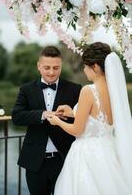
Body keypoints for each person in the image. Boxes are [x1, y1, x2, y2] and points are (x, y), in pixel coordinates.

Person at [48, 42, 132, 195]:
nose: (84, 70)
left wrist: (57, 121)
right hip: (109, 151)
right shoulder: (115, 92)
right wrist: (73, 113)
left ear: (95, 67)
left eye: (86, 66)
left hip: (87, 155)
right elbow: (100, 118)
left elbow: (77, 130)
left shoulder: (88, 90)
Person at [12, 46, 82, 195]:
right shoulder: (26, 89)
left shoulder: (75, 89)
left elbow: (82, 119)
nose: (51, 72)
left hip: (64, 160)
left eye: (56, 68)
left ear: (61, 66)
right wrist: (42, 114)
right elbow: (17, 116)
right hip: (35, 161)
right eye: (47, 67)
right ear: (39, 66)